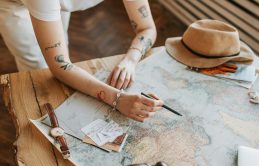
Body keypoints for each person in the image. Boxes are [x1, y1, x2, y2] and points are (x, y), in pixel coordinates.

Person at [0, 0, 163, 122]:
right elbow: (59, 66)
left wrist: (130, 60)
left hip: (55, 3)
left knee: (61, 45)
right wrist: (118, 99)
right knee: (37, 66)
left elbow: (147, 28)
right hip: (14, 5)